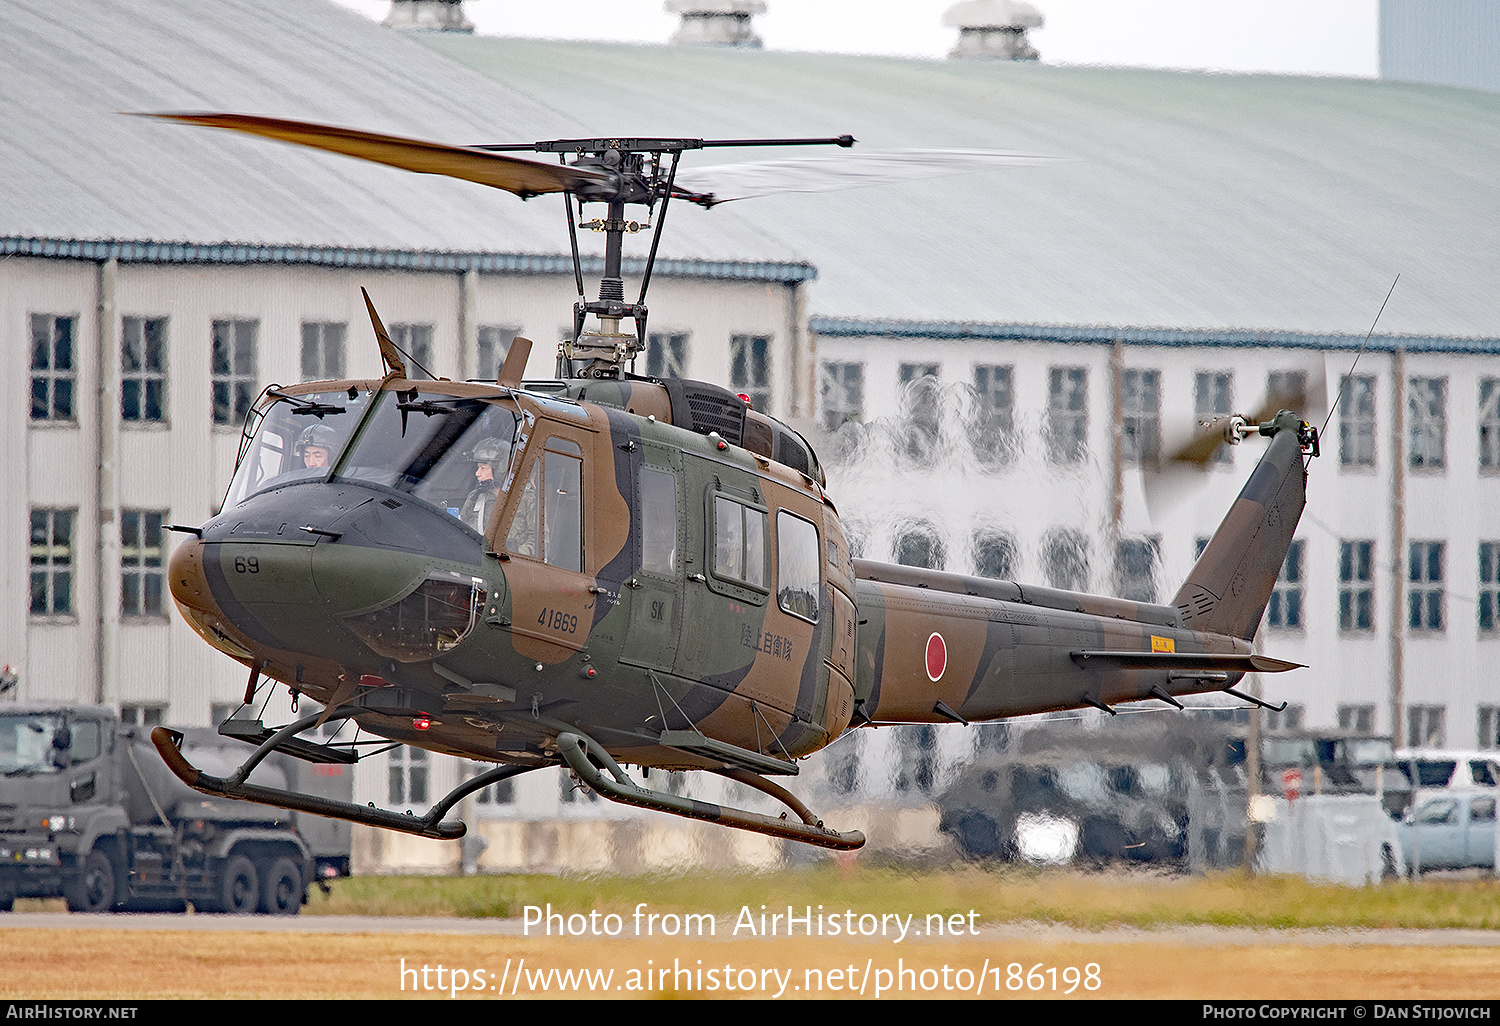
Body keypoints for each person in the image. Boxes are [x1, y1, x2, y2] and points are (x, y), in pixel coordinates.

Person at [461, 437, 506, 533]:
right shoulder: (474, 497)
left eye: (483, 468)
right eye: (478, 468)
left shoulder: (524, 500)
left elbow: (536, 538)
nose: (477, 473)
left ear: (499, 470)